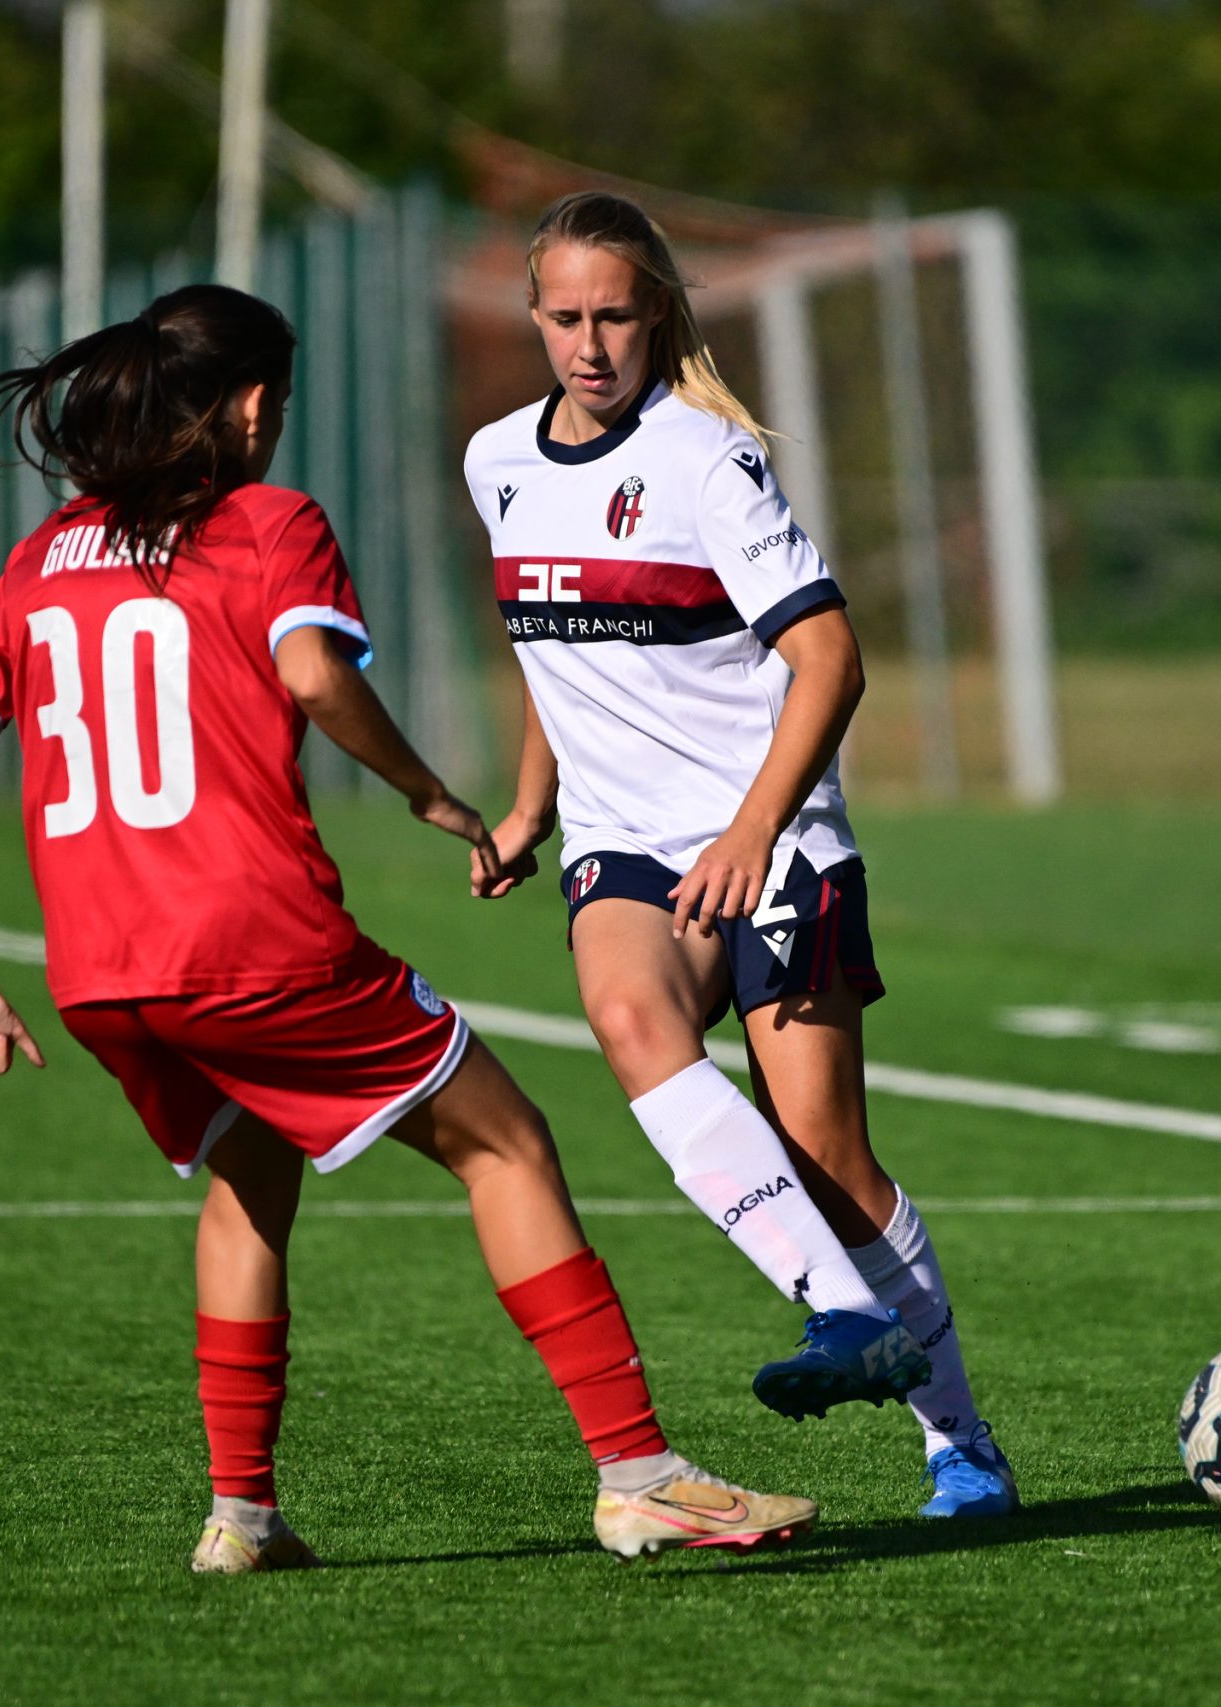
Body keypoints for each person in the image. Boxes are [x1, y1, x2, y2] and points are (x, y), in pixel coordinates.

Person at [0, 283, 814, 1572]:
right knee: (507, 1144)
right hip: (254, 947)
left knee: (249, 1179)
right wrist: (430, 793)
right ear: (255, 403)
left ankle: (241, 1516)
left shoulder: (44, 554)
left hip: (101, 976)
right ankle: (640, 1474)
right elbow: (315, 673)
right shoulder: (268, 522)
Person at [458, 190, 1016, 1521]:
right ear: (531, 314)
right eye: (565, 316)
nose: (590, 343)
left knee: (827, 1153)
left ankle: (961, 1441)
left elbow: (829, 655)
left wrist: (755, 826)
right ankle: (836, 1308)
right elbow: (551, 637)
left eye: (615, 316)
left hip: (770, 834)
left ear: (658, 315)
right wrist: (532, 803)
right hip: (624, 845)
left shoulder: (708, 457)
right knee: (625, 1007)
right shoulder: (496, 461)